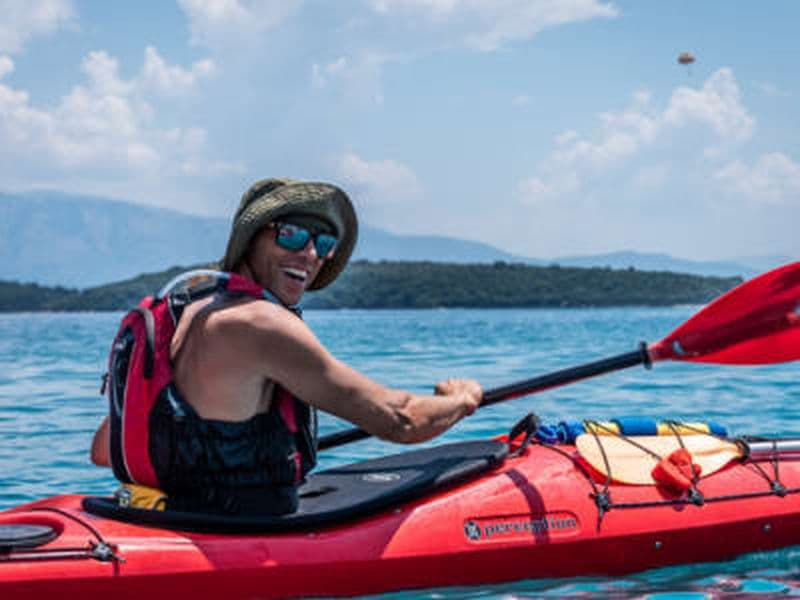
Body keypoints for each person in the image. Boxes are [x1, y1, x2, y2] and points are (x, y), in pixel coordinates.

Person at [91, 178, 482, 515]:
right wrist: (461, 400)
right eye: (291, 234)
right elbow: (400, 420)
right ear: (251, 239)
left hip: (165, 515)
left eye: (323, 243)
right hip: (235, 532)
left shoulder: (184, 314)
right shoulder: (262, 323)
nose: (310, 254)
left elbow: (105, 450)